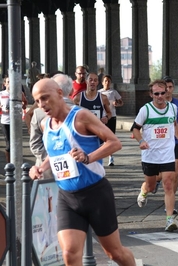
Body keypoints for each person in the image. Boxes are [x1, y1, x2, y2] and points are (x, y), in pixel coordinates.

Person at [29, 78, 136, 266]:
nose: (42, 104)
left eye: (45, 98)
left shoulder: (81, 117)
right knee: (69, 253)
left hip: (96, 194)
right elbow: (55, 155)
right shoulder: (45, 125)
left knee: (115, 253)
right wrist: (41, 167)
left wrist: (87, 157)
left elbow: (114, 143)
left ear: (60, 94)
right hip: (67, 198)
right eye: (37, 101)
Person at [132, 79, 178, 232]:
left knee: (168, 184)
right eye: (156, 93)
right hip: (150, 154)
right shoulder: (146, 110)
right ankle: (144, 191)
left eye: (162, 93)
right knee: (151, 186)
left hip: (167, 153)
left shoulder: (173, 108)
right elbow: (135, 129)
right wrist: (141, 141)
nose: (160, 96)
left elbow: (174, 125)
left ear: (167, 92)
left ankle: (169, 220)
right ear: (151, 94)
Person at [151, 76, 178, 215]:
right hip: (159, 144)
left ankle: (170, 203)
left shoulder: (177, 104)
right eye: (165, 88)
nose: (168, 91)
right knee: (158, 175)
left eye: (170, 88)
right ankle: (155, 181)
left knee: (175, 171)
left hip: (174, 143)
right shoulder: (153, 105)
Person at [30, 73, 74, 179]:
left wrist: (53, 158)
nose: (42, 105)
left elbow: (35, 144)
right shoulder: (81, 112)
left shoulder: (38, 113)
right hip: (73, 168)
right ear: (71, 91)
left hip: (45, 172)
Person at [0, 77, 28, 163]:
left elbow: (25, 102)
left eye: (11, 82)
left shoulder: (19, 93)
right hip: (6, 121)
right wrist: (2, 109)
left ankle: (17, 162)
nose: (10, 84)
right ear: (5, 84)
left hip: (16, 121)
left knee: (17, 143)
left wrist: (22, 106)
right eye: (8, 82)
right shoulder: (1, 94)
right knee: (9, 145)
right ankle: (10, 164)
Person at [99, 75, 124, 166]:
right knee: (101, 137)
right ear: (102, 82)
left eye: (109, 81)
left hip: (112, 116)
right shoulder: (99, 93)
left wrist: (117, 103)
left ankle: (111, 157)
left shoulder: (113, 92)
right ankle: (99, 156)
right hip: (102, 117)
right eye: (105, 81)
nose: (107, 82)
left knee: (111, 137)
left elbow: (121, 102)